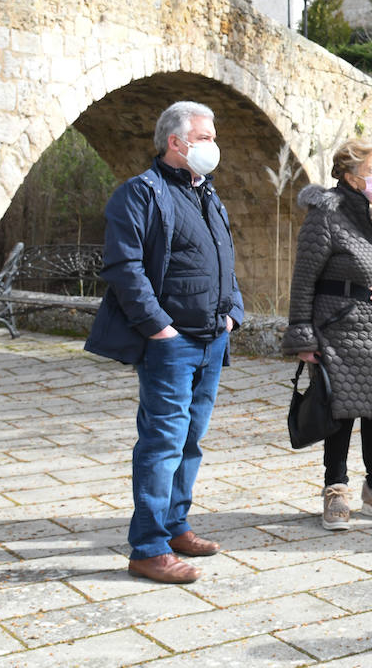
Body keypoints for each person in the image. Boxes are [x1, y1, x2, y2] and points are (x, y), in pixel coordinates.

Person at [85, 101, 244, 584]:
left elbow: (225, 258)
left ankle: (175, 525)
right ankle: (148, 548)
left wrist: (234, 312)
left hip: (212, 337)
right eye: (204, 137)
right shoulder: (139, 194)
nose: (213, 146)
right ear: (176, 142)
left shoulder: (207, 193)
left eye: (213, 137)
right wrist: (160, 327)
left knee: (191, 440)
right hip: (171, 344)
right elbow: (123, 268)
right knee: (162, 443)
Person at [283, 137, 372, 530]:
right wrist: (303, 337)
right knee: (338, 411)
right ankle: (335, 489)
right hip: (338, 330)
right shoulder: (326, 215)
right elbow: (303, 280)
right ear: (349, 176)